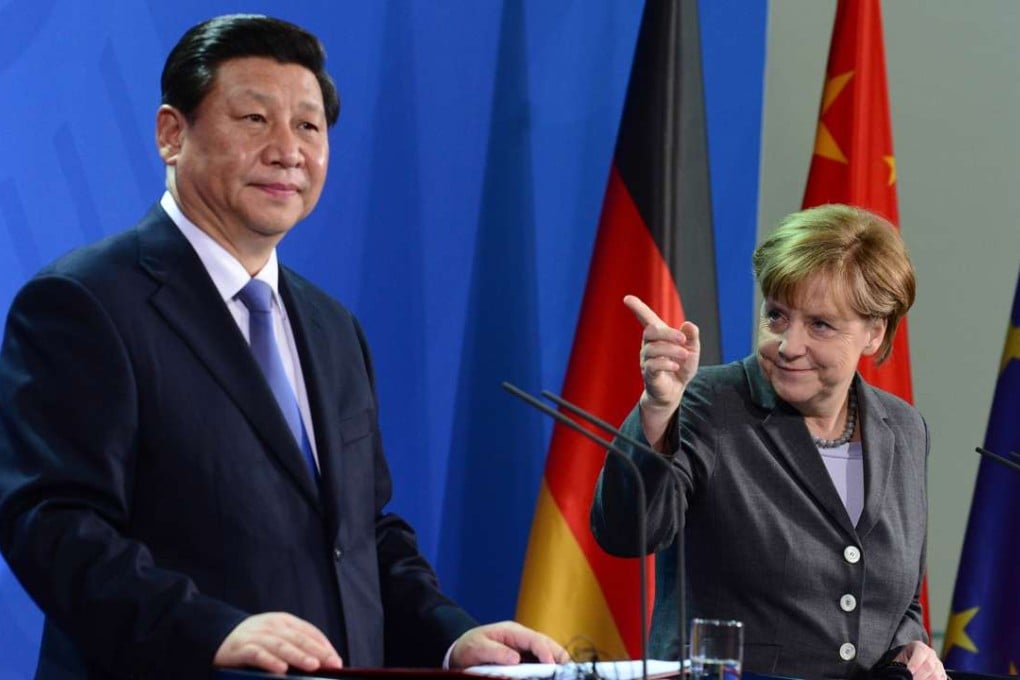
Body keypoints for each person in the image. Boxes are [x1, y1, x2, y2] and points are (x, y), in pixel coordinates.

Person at [0, 14, 566, 679]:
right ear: (172, 134)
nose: (288, 152)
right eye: (254, 119)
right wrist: (213, 630)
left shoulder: (332, 327)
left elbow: (362, 535)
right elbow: (53, 523)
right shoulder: (84, 302)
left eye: (308, 126)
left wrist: (453, 638)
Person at [591, 204, 946, 680]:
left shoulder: (903, 428)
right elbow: (625, 533)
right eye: (776, 315)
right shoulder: (708, 404)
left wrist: (912, 649)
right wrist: (657, 410)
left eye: (820, 324)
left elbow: (898, 601)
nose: (788, 345)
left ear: (874, 332)